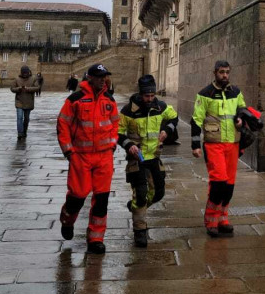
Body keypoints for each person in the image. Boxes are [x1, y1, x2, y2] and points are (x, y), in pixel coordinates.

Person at [56, 64, 119, 254]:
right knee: (77, 196)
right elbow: (63, 124)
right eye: (99, 76)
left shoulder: (109, 99)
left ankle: (96, 238)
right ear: (89, 78)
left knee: (102, 199)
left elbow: (116, 124)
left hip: (104, 157)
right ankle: (67, 219)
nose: (102, 79)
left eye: (104, 76)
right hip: (81, 157)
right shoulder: (75, 99)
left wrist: (113, 144)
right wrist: (68, 151)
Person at [117, 74, 178, 248]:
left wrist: (167, 130)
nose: (150, 99)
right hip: (137, 160)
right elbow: (118, 133)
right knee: (141, 193)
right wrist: (129, 145)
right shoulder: (128, 111)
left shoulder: (161, 107)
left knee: (158, 193)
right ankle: (140, 230)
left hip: (154, 158)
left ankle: (136, 207)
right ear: (140, 94)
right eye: (146, 96)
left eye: (152, 96)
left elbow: (174, 118)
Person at [191, 60, 246, 237]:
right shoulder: (205, 94)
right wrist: (195, 145)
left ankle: (223, 217)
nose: (225, 75)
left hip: (233, 144)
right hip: (213, 144)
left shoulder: (235, 92)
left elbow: (243, 110)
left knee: (229, 185)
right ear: (214, 72)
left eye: (227, 72)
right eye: (222, 72)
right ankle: (211, 219)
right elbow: (196, 120)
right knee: (219, 182)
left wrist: (240, 118)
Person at [10, 65, 40, 140]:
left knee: (26, 118)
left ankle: (24, 131)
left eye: (26, 72)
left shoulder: (33, 79)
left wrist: (28, 89)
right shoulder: (16, 79)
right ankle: (20, 133)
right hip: (19, 101)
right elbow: (12, 88)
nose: (25, 74)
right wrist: (18, 89)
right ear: (21, 72)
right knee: (19, 117)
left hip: (29, 102)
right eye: (23, 72)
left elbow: (37, 87)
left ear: (28, 72)